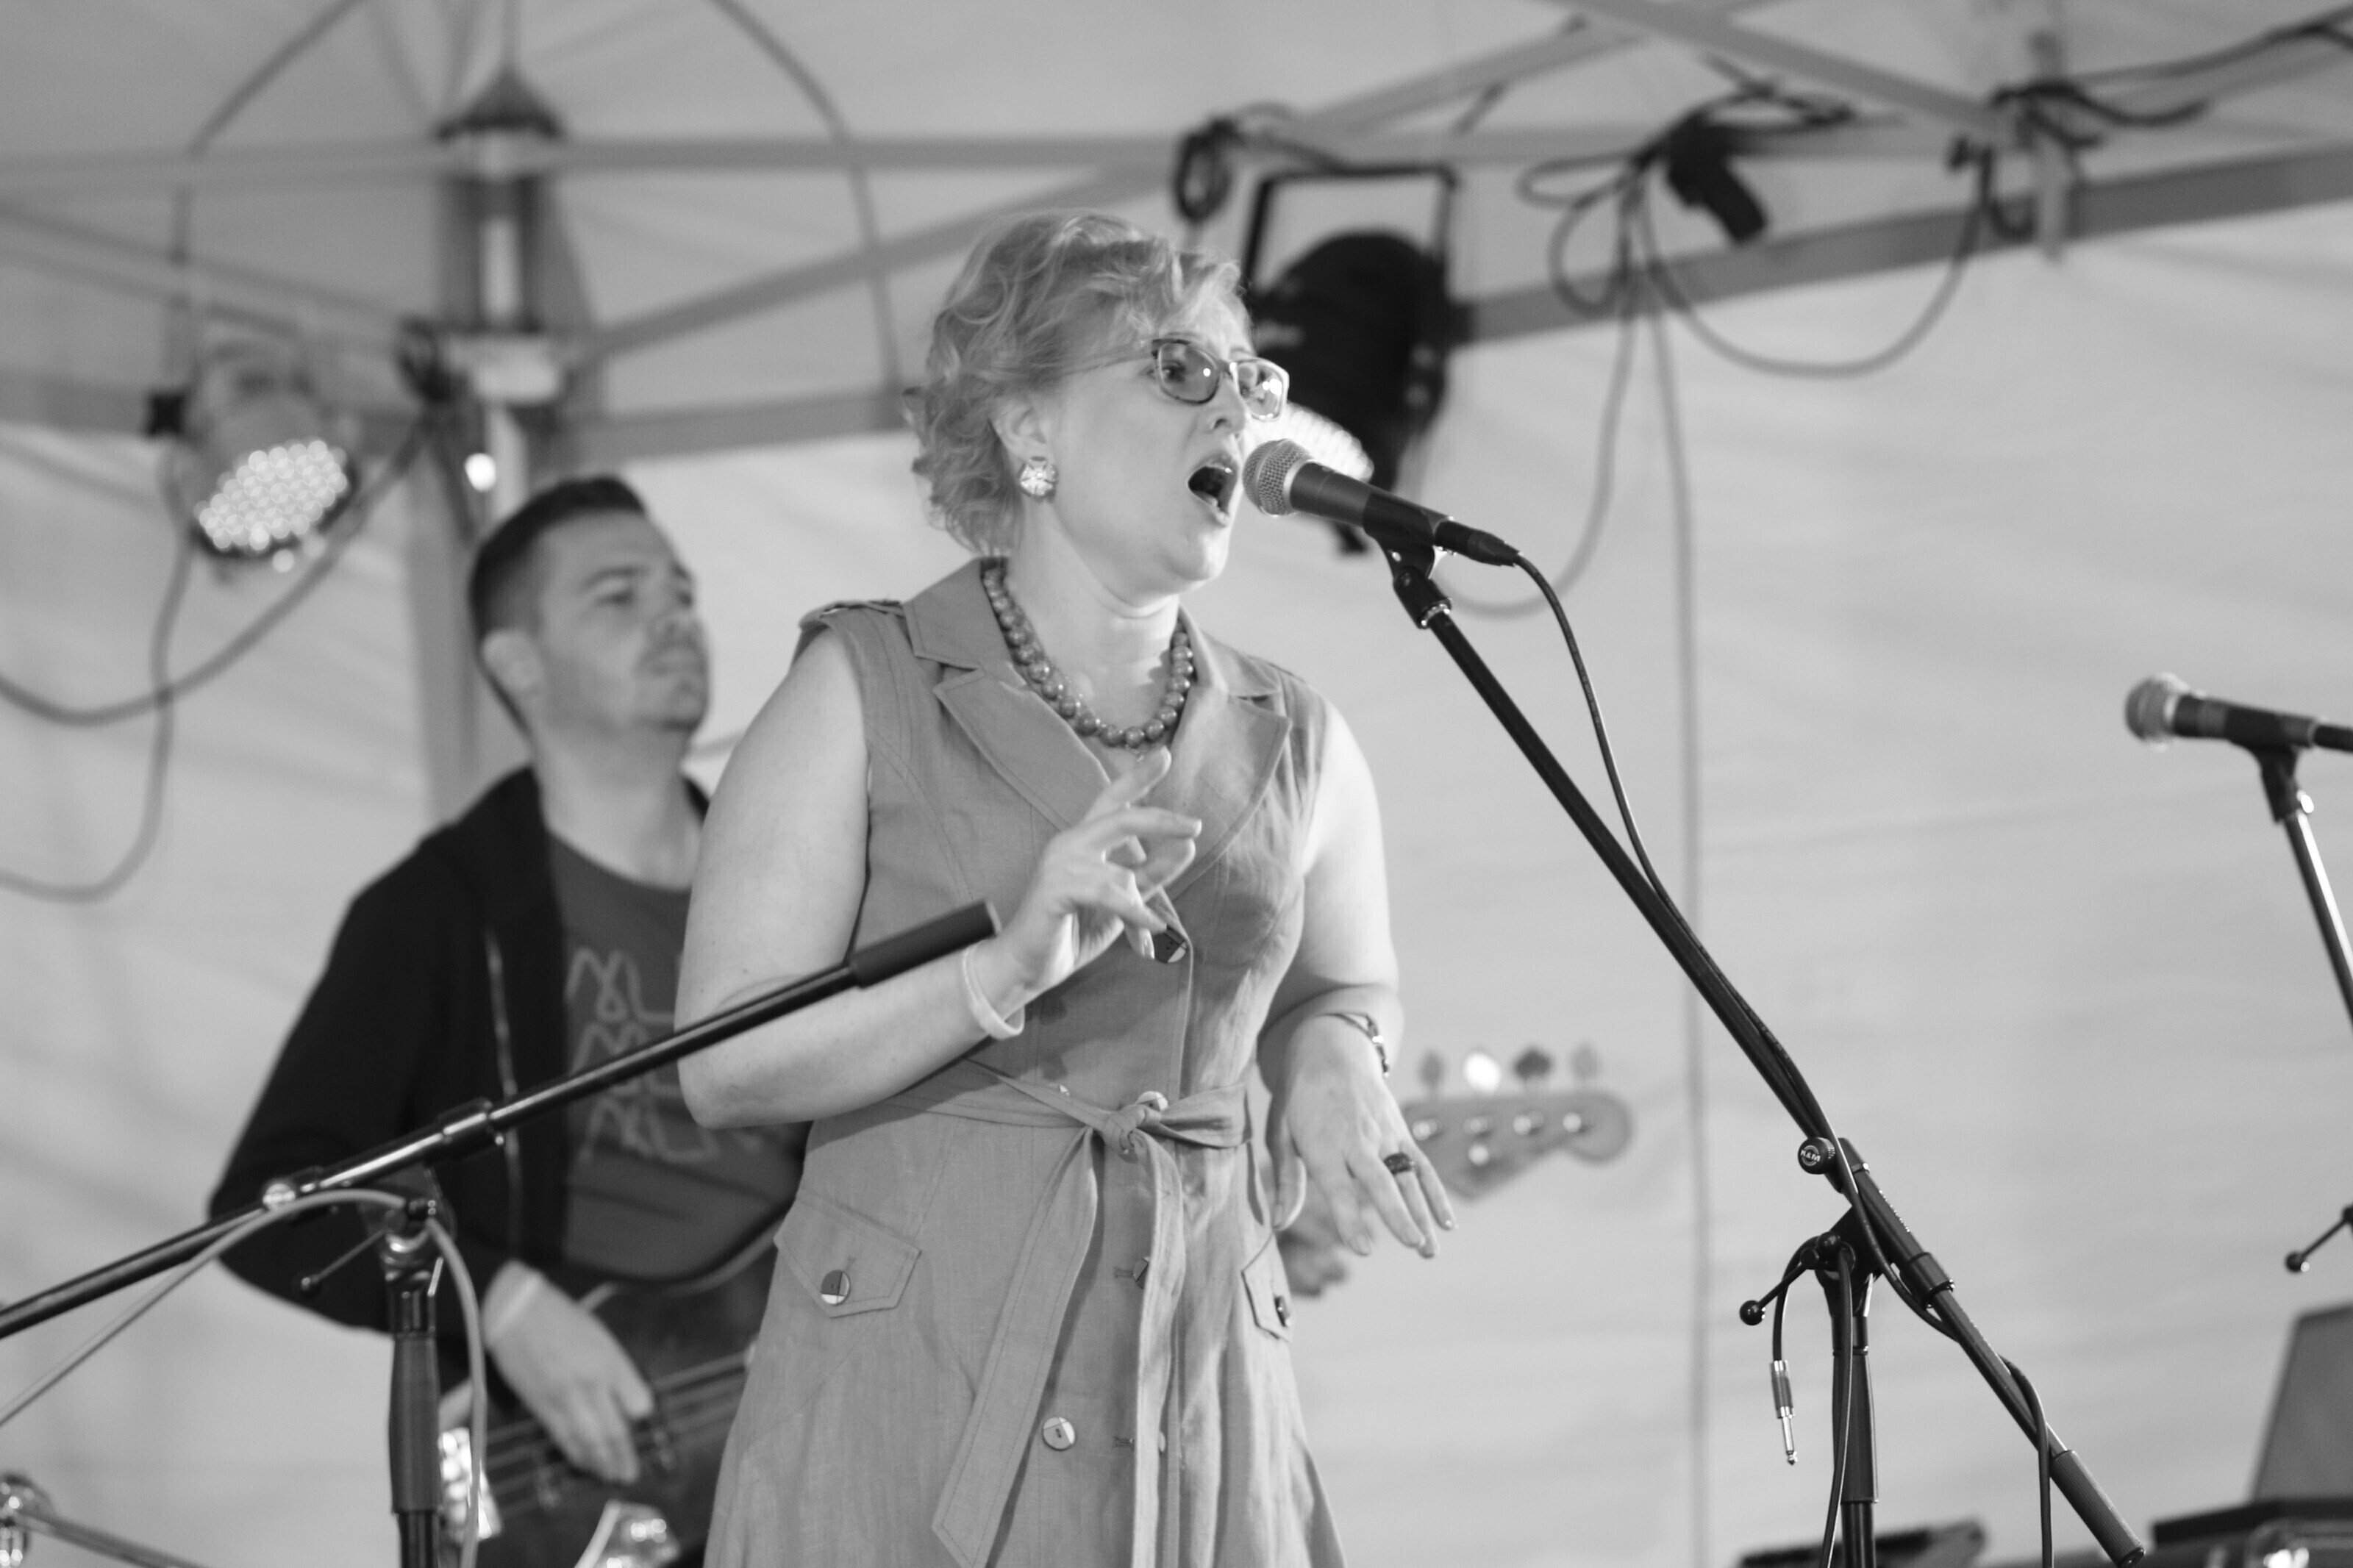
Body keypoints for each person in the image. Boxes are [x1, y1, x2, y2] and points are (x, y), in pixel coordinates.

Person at [675, 210, 1453, 1567]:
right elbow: (724, 1063)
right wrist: (997, 974)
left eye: (1252, 378)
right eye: (1178, 370)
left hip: (1198, 1383)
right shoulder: (860, 690)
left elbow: (1346, 982)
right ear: (1029, 426)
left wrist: (1337, 1051)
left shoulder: (1299, 734)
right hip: (911, 1390)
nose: (1238, 409)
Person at [210, 476, 802, 1499]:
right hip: (586, 1476)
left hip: (819, 1419)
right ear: (516, 664)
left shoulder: (796, 877)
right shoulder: (438, 911)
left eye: (681, 593)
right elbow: (270, 1207)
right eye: (618, 595)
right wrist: (502, 1304)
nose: (674, 617)